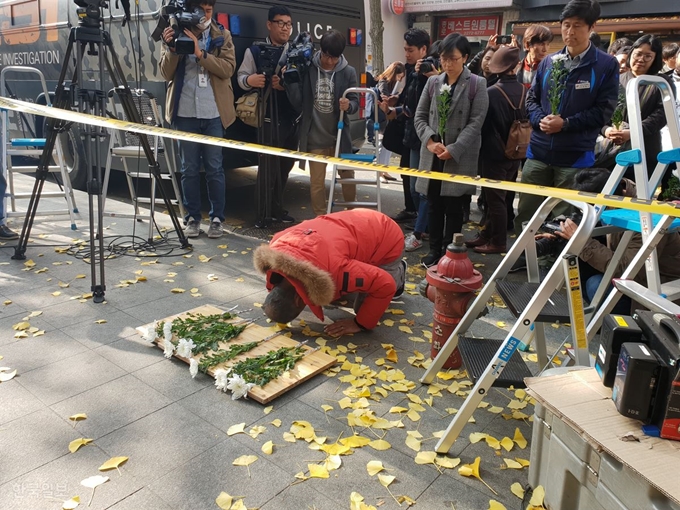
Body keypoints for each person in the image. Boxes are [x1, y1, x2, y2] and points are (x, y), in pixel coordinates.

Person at [513, 0, 619, 234]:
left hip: (575, 157)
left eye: (577, 26)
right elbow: (531, 99)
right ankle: (522, 257)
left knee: (564, 219)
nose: (570, 32)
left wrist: (566, 124)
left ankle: (554, 264)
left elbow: (603, 111)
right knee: (528, 212)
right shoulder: (549, 62)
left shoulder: (605, 64)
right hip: (538, 152)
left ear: (592, 28)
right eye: (566, 25)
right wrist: (540, 119)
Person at [254, 209, 406, 336]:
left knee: (362, 308)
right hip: (355, 225)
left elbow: (385, 284)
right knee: (334, 288)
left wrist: (360, 323)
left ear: (298, 300)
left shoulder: (338, 271)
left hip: (386, 235)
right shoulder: (274, 250)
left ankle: (399, 272)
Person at [555, 169, 680, 313]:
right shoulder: (614, 197)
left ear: (608, 201)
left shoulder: (646, 219)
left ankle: (629, 328)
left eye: (591, 207)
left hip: (657, 283)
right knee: (576, 264)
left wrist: (583, 242)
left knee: (595, 285)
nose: (590, 213)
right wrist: (560, 235)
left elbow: (627, 270)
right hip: (635, 273)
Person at [160, 0, 235, 239]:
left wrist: (199, 53)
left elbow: (227, 69)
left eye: (209, 10)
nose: (204, 15)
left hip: (213, 112)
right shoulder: (176, 30)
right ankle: (192, 218)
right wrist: (173, 49)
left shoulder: (222, 34)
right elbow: (165, 73)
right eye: (200, 10)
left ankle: (216, 219)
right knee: (189, 169)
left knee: (215, 169)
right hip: (184, 112)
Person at [414, 33, 489, 267]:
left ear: (465, 57)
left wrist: (454, 149)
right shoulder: (433, 82)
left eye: (453, 59)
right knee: (434, 205)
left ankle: (450, 251)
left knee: (455, 208)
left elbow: (476, 122)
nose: (447, 64)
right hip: (434, 154)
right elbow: (420, 116)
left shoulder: (477, 84)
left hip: (459, 156)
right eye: (443, 59)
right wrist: (429, 141)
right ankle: (434, 249)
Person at [237, 5, 300, 226]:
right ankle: (263, 215)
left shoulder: (295, 51)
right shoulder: (255, 51)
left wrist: (285, 85)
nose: (285, 28)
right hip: (267, 117)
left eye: (289, 24)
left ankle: (277, 208)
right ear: (269, 24)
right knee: (267, 169)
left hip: (292, 118)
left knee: (285, 167)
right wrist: (251, 81)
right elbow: (241, 77)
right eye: (281, 23)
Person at [285, 30, 359, 216]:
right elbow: (298, 102)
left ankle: (352, 216)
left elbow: (356, 101)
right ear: (321, 50)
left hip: (340, 137)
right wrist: (289, 82)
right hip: (314, 137)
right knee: (317, 183)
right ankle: (321, 220)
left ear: (340, 55)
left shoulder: (348, 72)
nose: (329, 61)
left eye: (334, 58)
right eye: (326, 56)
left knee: (348, 178)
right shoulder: (308, 67)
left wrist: (349, 105)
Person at [465, 46, 524, 254]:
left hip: (493, 154)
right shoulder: (525, 90)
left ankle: (498, 241)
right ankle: (487, 234)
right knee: (499, 197)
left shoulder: (491, 93)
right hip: (516, 152)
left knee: (494, 201)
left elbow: (480, 123)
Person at [601, 35, 672, 183]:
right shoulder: (616, 80)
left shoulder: (661, 82)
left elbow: (661, 116)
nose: (641, 59)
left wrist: (633, 133)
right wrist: (606, 130)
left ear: (655, 59)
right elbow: (601, 111)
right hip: (612, 151)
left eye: (648, 56)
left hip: (646, 149)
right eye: (638, 54)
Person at [387, 28, 434, 225]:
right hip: (409, 132)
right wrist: (395, 105)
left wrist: (433, 77)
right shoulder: (411, 70)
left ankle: (424, 224)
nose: (406, 54)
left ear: (423, 50)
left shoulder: (432, 72)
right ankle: (415, 216)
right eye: (405, 49)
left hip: (425, 137)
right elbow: (410, 103)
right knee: (408, 176)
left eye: (410, 50)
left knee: (420, 185)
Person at [373, 61, 406, 182]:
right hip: (382, 115)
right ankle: (380, 172)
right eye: (399, 76)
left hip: (389, 114)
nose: (400, 79)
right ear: (394, 73)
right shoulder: (384, 82)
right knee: (383, 144)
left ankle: (384, 170)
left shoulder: (392, 83)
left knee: (388, 145)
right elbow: (384, 96)